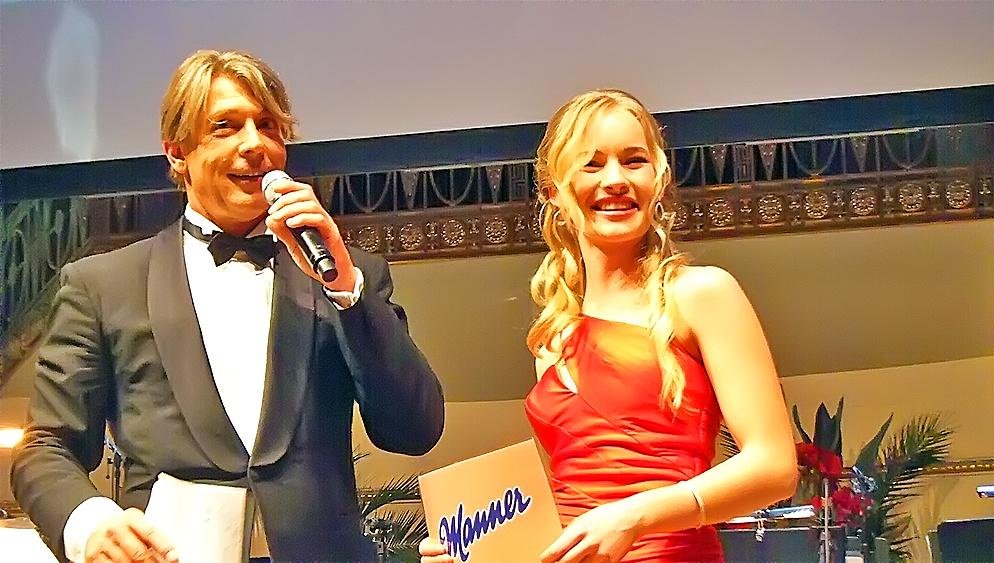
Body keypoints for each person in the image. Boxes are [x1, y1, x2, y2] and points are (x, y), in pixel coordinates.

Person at [11, 49, 445, 563]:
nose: (255, 145)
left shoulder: (348, 277)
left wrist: (346, 289)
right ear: (177, 153)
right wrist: (90, 523)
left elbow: (415, 429)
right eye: (225, 126)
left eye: (268, 126)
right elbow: (47, 447)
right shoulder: (104, 285)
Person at [420, 89, 797, 562]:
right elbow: (576, 511)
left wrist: (635, 516)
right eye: (592, 164)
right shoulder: (553, 337)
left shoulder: (700, 294)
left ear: (658, 179)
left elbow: (775, 467)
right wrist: (476, 549)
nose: (615, 180)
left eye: (634, 161)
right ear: (554, 192)